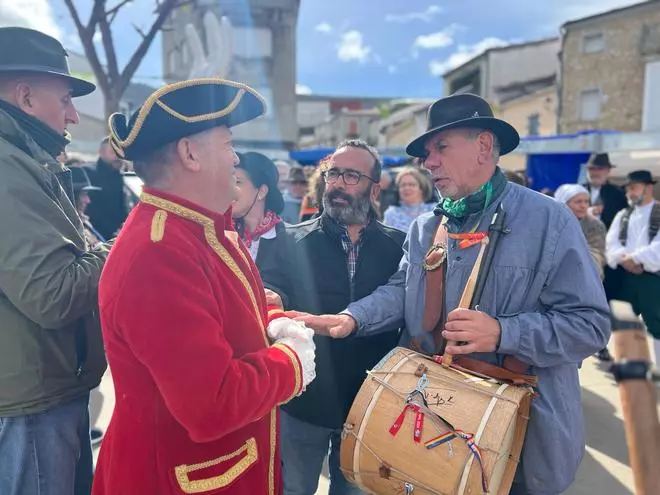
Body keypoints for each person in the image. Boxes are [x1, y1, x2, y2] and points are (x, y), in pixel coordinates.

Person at [295, 94, 611, 495]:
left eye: (440, 147)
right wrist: (352, 318)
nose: (429, 163)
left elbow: (591, 325)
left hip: (519, 449)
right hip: (433, 433)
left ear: (483, 146)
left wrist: (502, 333)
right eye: (426, 153)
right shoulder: (428, 226)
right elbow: (401, 290)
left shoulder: (549, 219)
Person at [92, 78, 317, 495]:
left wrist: (273, 323)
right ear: (189, 153)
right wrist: (291, 363)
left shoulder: (198, 229)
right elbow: (211, 403)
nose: (236, 157)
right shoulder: (159, 250)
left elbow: (223, 317)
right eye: (228, 142)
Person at [0, 27, 110, 495]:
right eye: (65, 100)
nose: (74, 116)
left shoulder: (23, 160)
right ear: (25, 96)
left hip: (38, 395)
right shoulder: (7, 166)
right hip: (31, 406)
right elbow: (54, 294)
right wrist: (119, 250)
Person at [261, 139, 405, 495]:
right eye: (333, 174)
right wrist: (273, 296)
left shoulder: (398, 246)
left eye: (351, 176)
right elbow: (269, 291)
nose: (338, 183)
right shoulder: (287, 239)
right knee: (293, 489)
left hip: (368, 406)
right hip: (302, 401)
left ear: (375, 187)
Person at [606, 170, 660, 367]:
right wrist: (626, 261)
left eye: (634, 188)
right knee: (623, 323)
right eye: (628, 189)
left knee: (657, 326)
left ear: (648, 187)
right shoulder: (623, 215)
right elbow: (611, 244)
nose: (630, 193)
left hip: (653, 279)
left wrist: (635, 258)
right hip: (626, 277)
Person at [232, 151, 286, 264]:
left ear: (262, 191)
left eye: (237, 182)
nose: (230, 189)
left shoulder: (288, 240)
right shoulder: (221, 233)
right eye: (229, 181)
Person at [555, 184, 607, 279]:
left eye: (586, 201)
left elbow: (597, 255)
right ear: (563, 203)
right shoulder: (552, 223)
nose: (583, 206)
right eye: (578, 202)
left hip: (585, 278)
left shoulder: (594, 225)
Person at [85, 136, 129, 239]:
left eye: (120, 153)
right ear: (101, 152)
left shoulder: (118, 175)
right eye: (113, 152)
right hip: (97, 236)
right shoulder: (89, 174)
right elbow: (91, 210)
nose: (118, 157)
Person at [383, 165, 436, 232]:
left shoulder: (435, 210)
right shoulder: (391, 214)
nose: (406, 188)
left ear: (421, 188)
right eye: (403, 185)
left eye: (411, 184)